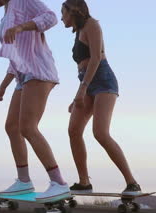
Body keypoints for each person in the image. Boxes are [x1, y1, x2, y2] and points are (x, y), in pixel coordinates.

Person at [0, 0, 71, 203]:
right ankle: (24, 180)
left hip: (38, 71)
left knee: (28, 127)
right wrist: (3, 86)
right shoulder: (6, 14)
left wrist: (21, 26)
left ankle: (58, 182)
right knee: (12, 127)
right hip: (22, 75)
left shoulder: (23, 1)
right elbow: (16, 56)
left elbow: (51, 17)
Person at [61, 0, 142, 195]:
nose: (61, 17)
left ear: (73, 11)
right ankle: (84, 182)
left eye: (63, 12)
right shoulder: (78, 31)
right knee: (73, 130)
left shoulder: (92, 25)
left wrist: (82, 90)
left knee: (100, 133)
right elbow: (83, 67)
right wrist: (78, 95)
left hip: (103, 81)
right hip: (86, 83)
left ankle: (132, 183)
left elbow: (96, 58)